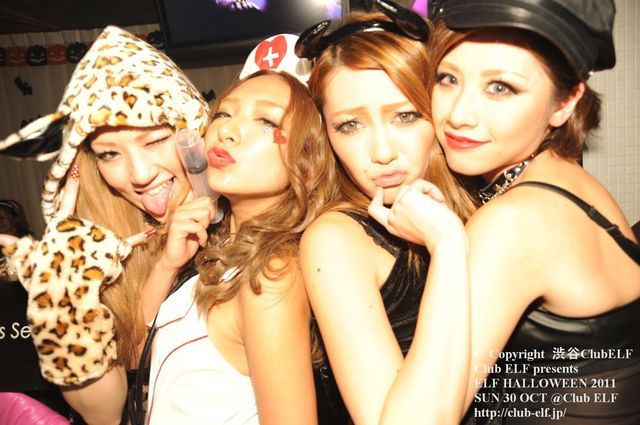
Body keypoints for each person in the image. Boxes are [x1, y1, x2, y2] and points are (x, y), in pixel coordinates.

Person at [420, 0, 640, 423]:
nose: (458, 114)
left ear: (565, 103)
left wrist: (445, 242)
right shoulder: (570, 181)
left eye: (500, 87)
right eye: (448, 79)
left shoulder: (515, 221)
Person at [0, 25, 213, 424]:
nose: (140, 175)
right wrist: (66, 296)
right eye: (110, 154)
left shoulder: (244, 217)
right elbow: (106, 413)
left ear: (193, 131)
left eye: (155, 140)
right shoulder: (101, 244)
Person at [296, 2, 476, 423]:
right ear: (326, 134)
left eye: (405, 116)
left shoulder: (484, 202)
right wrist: (447, 245)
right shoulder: (336, 240)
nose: (381, 151)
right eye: (350, 125)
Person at [145, 67, 338, 424]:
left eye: (266, 121)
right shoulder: (216, 250)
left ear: (307, 162)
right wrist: (168, 266)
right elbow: (139, 357)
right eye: (223, 114)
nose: (227, 130)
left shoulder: (272, 274)